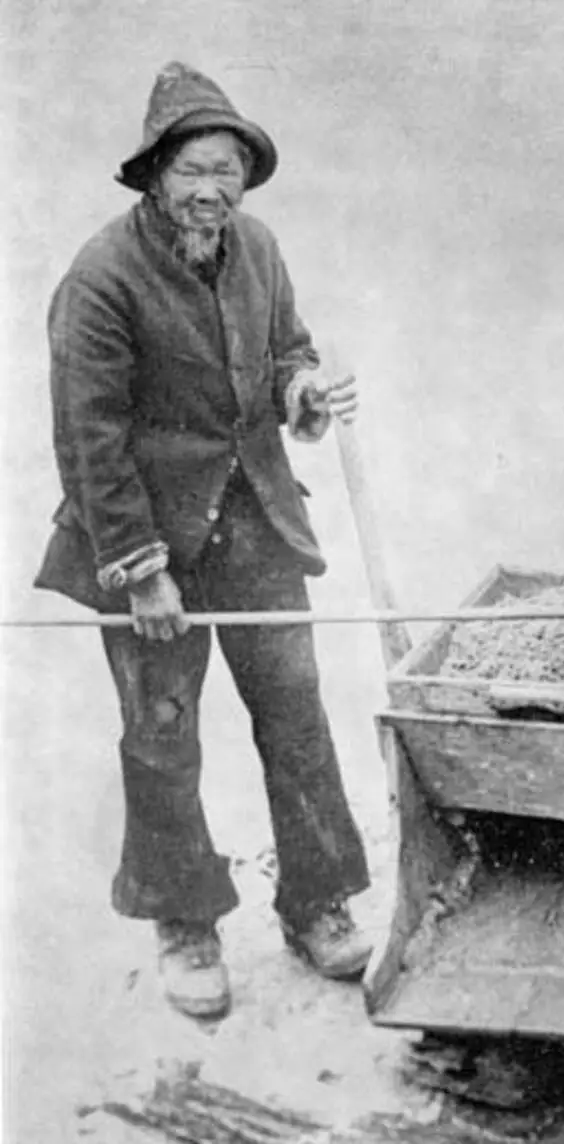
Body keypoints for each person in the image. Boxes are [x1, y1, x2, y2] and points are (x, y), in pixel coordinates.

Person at [35, 61, 373, 1020]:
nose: (212, 189)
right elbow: (88, 439)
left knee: (298, 718)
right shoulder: (100, 278)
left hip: (257, 524)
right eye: (193, 169)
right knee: (162, 739)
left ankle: (319, 902)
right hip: (148, 541)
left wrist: (302, 393)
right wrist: (140, 572)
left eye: (228, 169)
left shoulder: (258, 247)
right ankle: (184, 921)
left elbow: (285, 356)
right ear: (153, 176)